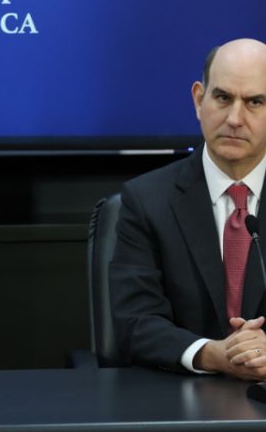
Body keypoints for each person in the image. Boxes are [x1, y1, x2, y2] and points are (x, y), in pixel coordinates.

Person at [110, 38, 266, 381]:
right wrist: (212, 354)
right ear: (199, 99)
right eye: (222, 98)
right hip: (179, 396)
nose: (235, 118)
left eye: (255, 102)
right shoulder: (146, 200)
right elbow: (135, 322)